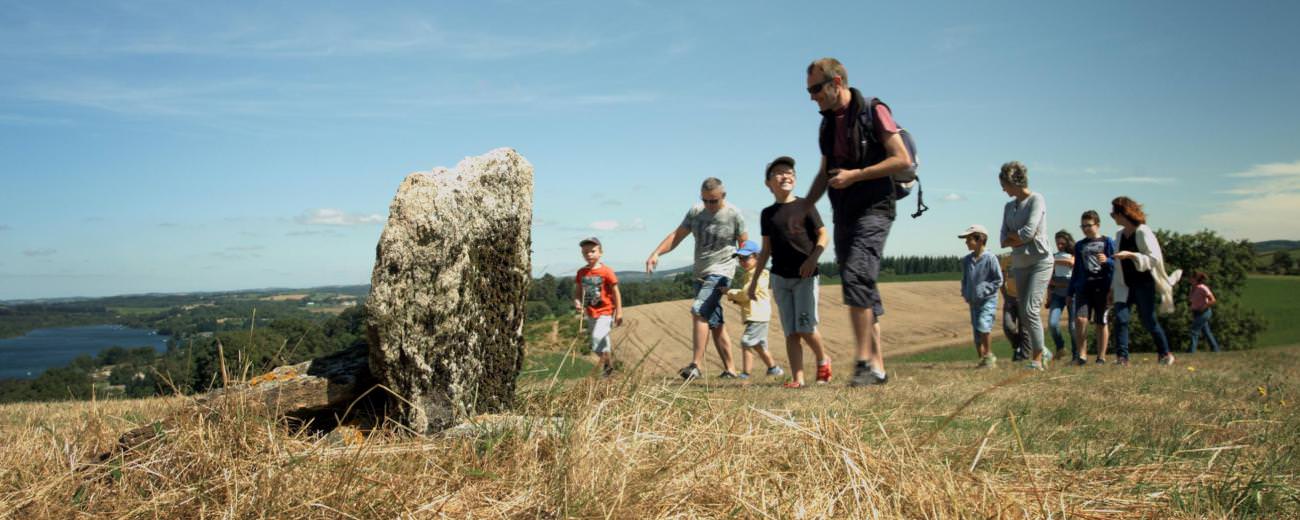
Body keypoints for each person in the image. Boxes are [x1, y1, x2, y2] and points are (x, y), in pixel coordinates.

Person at [792, 57, 915, 387]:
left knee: (857, 275)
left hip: (875, 207)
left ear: (837, 82)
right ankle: (877, 368)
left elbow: (901, 158)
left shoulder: (873, 111)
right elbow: (823, 173)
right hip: (844, 211)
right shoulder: (828, 124)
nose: (811, 96)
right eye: (809, 90)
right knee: (862, 285)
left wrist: (857, 175)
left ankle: (862, 363)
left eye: (816, 88)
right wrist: (803, 206)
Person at [646, 177, 748, 380]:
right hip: (699, 274)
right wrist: (656, 253)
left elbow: (744, 244)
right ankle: (731, 370)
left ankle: (695, 365)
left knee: (699, 311)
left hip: (722, 272)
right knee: (714, 323)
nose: (709, 205)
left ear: (723, 196)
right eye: (705, 200)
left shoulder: (734, 214)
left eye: (714, 201)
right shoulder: (695, 212)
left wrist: (749, 273)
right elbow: (677, 235)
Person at [747, 156, 832, 388]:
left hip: (805, 277)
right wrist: (755, 282)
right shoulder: (767, 214)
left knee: (805, 328)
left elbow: (824, 235)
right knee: (791, 332)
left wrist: (813, 259)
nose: (786, 176)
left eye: (790, 172)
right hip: (780, 278)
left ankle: (823, 359)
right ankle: (798, 379)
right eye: (780, 173)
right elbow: (765, 250)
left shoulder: (806, 205)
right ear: (768, 183)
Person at [1110, 196, 1182, 365]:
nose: (1112, 216)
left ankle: (1165, 354)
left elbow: (1153, 258)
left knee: (1149, 321)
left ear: (1123, 213)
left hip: (1143, 284)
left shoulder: (1142, 231)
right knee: (1120, 319)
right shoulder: (1119, 235)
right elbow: (1118, 267)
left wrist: (1131, 255)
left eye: (1114, 213)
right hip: (1124, 285)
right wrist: (1112, 288)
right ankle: (1122, 358)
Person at [998, 161, 1053, 370]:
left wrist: (1017, 237)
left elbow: (1028, 232)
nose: (1003, 189)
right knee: (1024, 311)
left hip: (1040, 262)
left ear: (1014, 182)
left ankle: (1039, 357)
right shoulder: (1008, 206)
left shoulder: (1036, 200)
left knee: (1030, 309)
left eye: (1004, 184)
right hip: (1020, 263)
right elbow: (1003, 238)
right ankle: (1043, 351)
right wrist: (1017, 238)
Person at [726, 240, 785, 380]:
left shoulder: (759, 274)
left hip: (758, 316)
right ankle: (773, 369)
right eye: (740, 258)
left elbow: (746, 294)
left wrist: (729, 292)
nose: (742, 261)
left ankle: (745, 374)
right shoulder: (751, 274)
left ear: (757, 257)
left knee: (746, 342)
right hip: (757, 315)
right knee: (759, 344)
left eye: (745, 258)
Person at [1068, 210, 1116, 365]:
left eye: (1088, 225)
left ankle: (1101, 357)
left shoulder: (1108, 242)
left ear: (1097, 225)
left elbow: (1118, 264)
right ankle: (1082, 355)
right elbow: (1076, 270)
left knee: (1101, 322)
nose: (1085, 228)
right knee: (1081, 319)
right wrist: (1070, 291)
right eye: (1083, 226)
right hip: (1084, 287)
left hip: (1103, 287)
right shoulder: (1080, 245)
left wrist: (1108, 261)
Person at [574, 237, 622, 378]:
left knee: (596, 340)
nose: (589, 254)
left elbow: (616, 292)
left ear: (600, 252)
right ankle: (608, 367)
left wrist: (619, 312)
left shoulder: (607, 271)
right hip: (590, 314)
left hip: (606, 312)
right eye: (585, 252)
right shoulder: (581, 273)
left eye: (593, 251)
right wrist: (577, 302)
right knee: (601, 345)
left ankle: (607, 365)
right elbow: (577, 293)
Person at [959, 225, 1002, 368]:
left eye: (968, 239)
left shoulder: (990, 258)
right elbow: (965, 279)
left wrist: (983, 290)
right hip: (973, 301)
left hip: (987, 300)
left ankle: (989, 355)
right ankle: (983, 359)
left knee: (984, 325)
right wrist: (965, 292)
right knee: (977, 332)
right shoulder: (966, 260)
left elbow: (998, 280)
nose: (966, 242)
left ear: (979, 239)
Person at [1048, 230, 1078, 359]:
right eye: (1057, 243)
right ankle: (1060, 347)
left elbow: (1073, 264)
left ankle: (1076, 354)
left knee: (1073, 326)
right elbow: (1050, 278)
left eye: (1062, 243)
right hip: (1057, 294)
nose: (1059, 246)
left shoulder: (1074, 255)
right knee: (1053, 324)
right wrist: (1049, 297)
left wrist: (1055, 261)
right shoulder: (1054, 256)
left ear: (1067, 243)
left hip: (1073, 294)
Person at [999, 254, 1031, 362]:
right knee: (1008, 326)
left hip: (1025, 298)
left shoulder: (1027, 257)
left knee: (1024, 330)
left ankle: (1024, 356)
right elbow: (1002, 280)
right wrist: (1005, 295)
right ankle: (1018, 347)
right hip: (1010, 298)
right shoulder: (1005, 259)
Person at [1187, 271, 1221, 353]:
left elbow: (1213, 300)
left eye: (1191, 278)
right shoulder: (1193, 288)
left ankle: (1191, 351)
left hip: (1204, 313)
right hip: (1196, 312)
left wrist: (1203, 307)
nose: (1189, 279)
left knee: (1194, 331)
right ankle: (1215, 349)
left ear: (1195, 279)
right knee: (1206, 332)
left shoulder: (1203, 288)